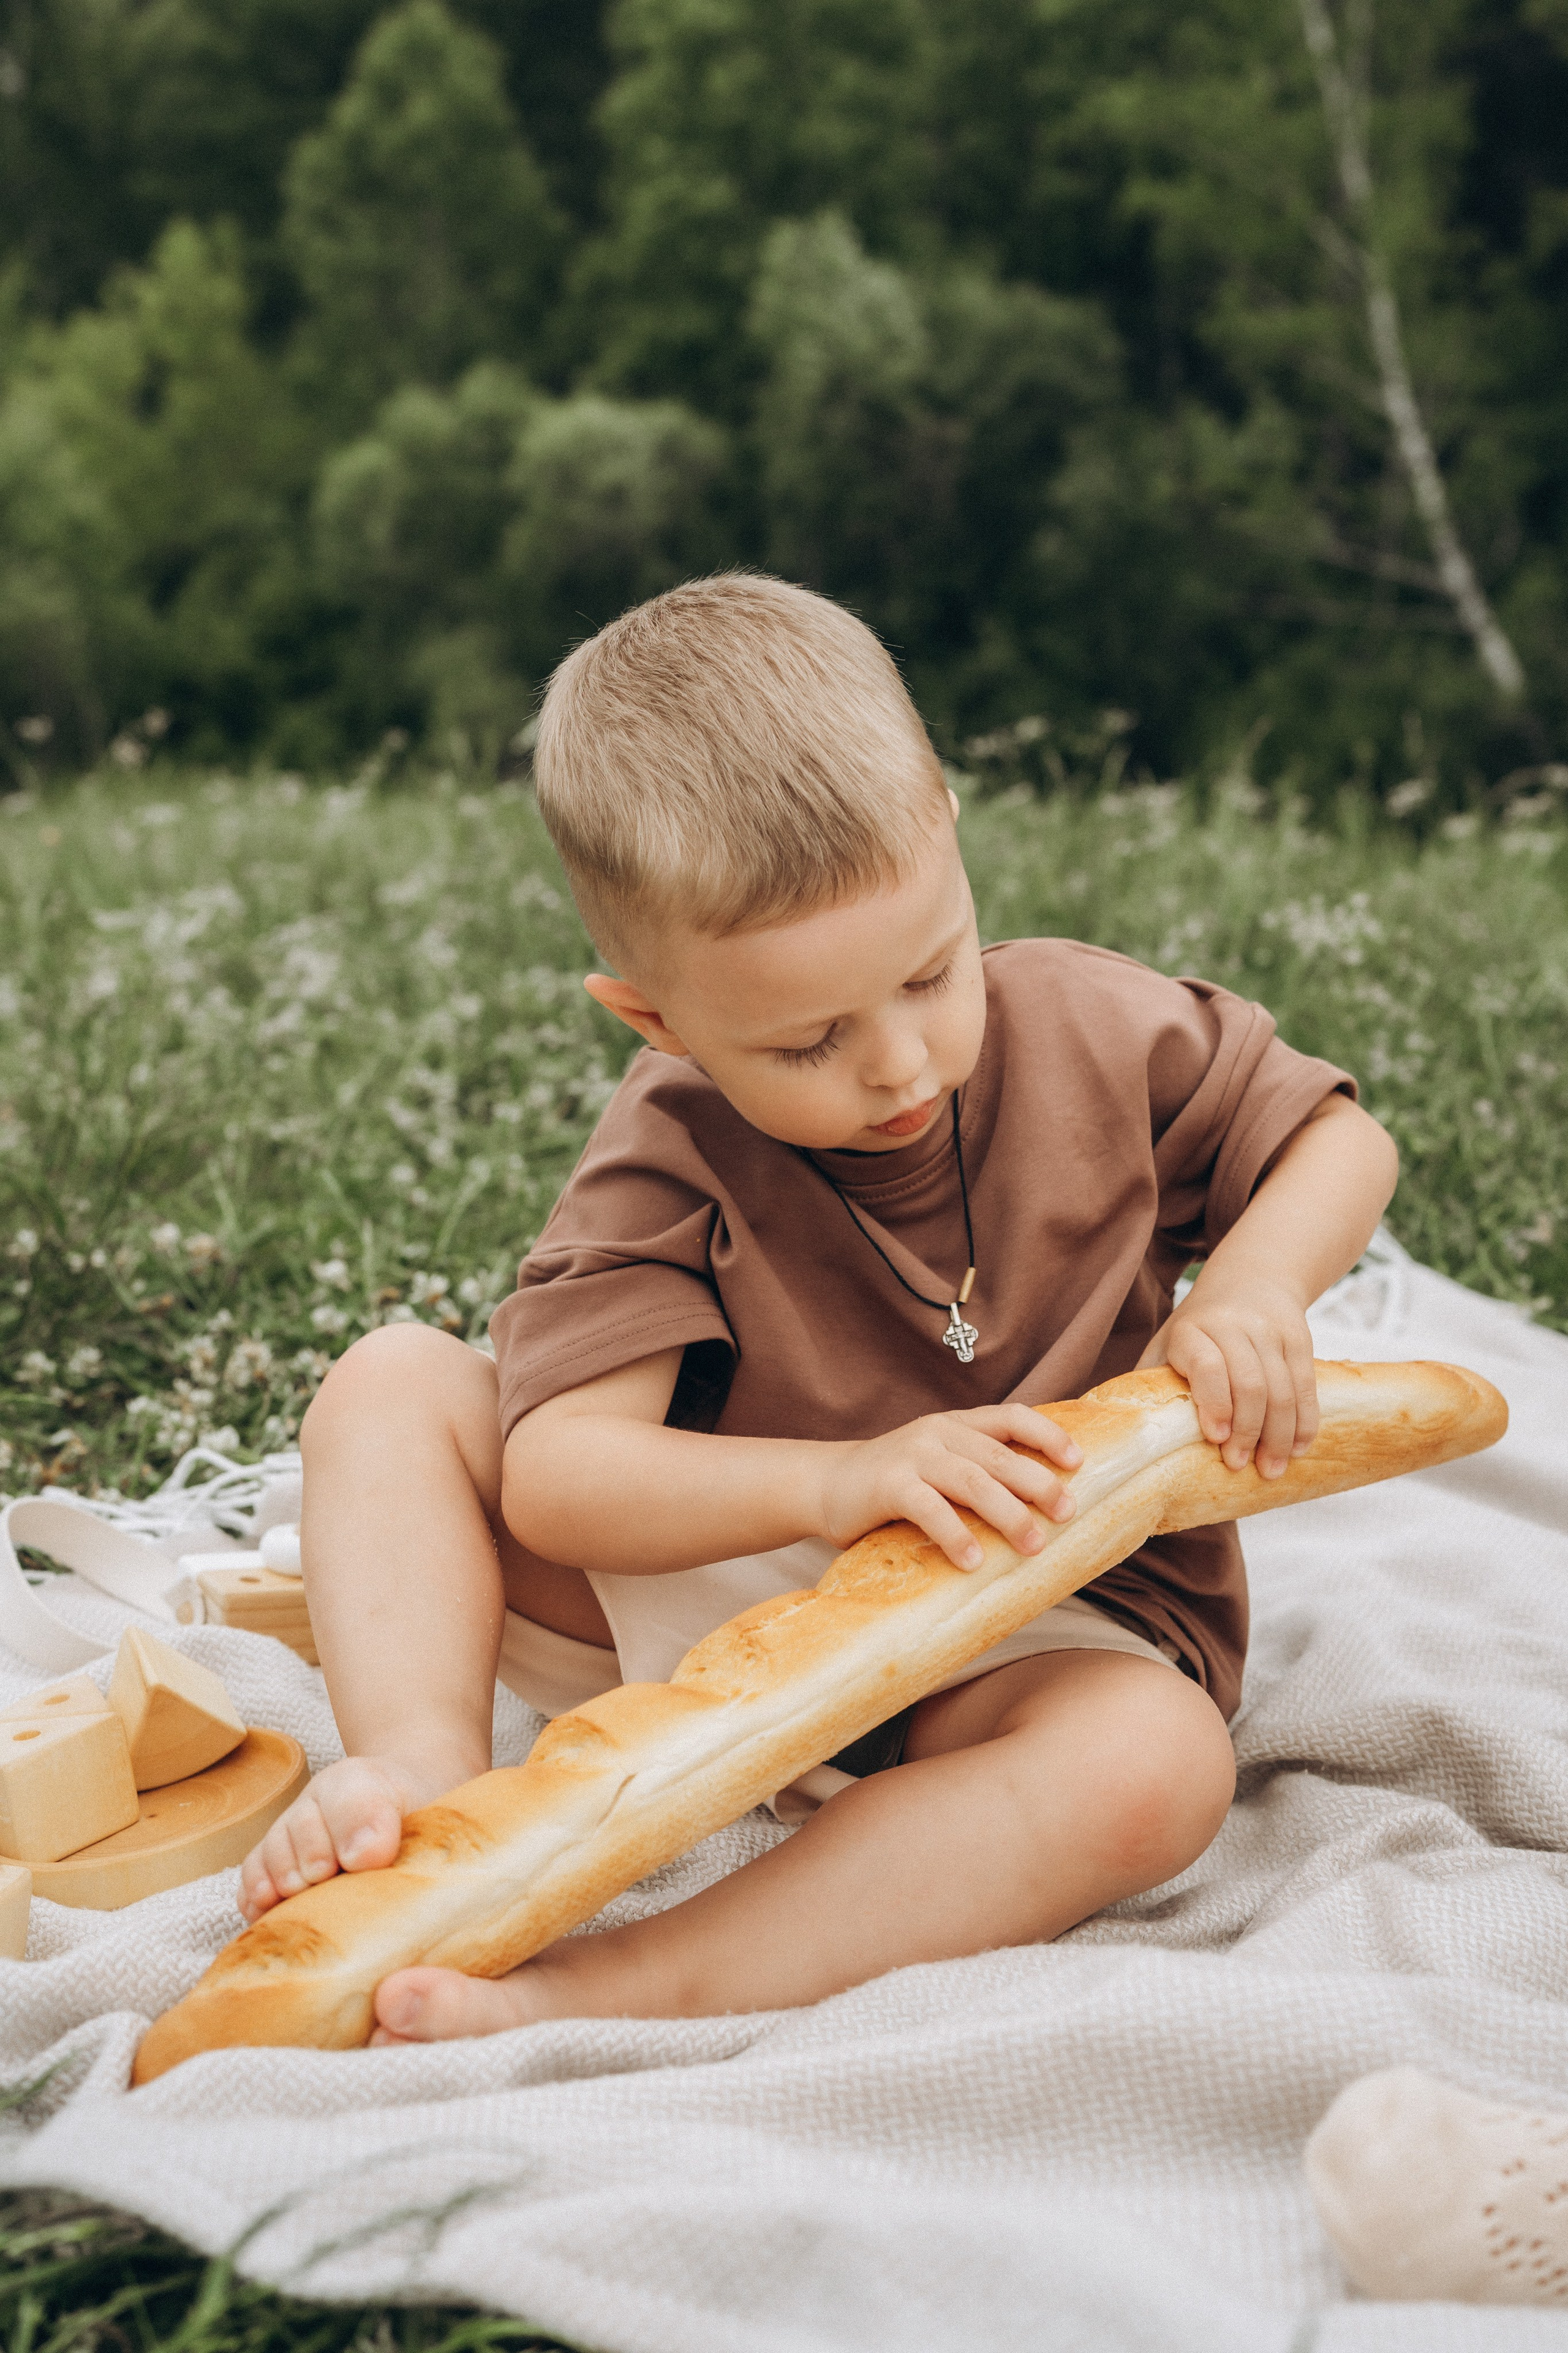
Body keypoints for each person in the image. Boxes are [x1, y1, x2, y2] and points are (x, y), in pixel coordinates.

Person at [238, 573, 1398, 2047]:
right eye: (805, 1041)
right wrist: (837, 1484)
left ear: (950, 839)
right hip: (734, 1572)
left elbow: (1337, 1140)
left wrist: (1248, 1287)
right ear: (655, 1017)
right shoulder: (672, 1143)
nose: (898, 1062)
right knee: (395, 1381)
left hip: (1037, 1616)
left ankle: (622, 1981)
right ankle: (420, 1778)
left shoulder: (1096, 1028)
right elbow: (562, 1474)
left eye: (927, 972)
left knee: (1149, 1769)